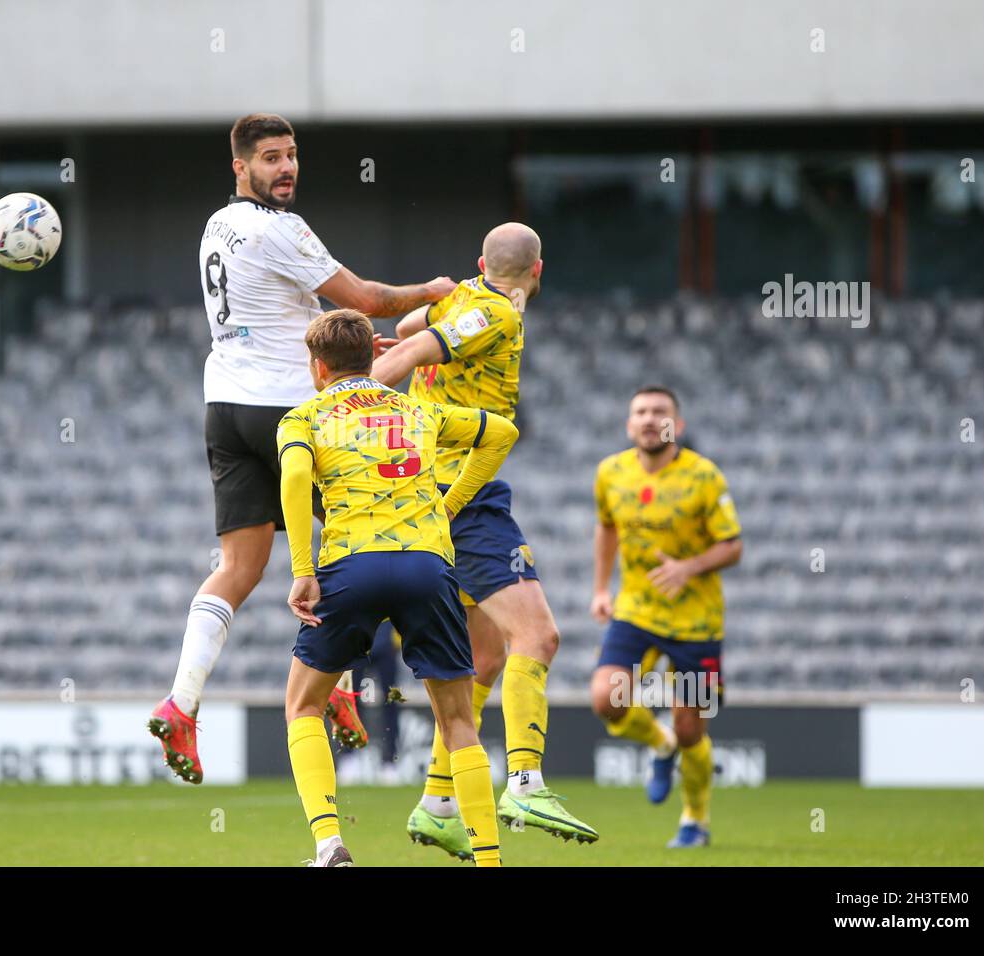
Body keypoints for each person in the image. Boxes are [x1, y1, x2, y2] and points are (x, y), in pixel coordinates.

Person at [148, 113, 457, 783]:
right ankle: (340, 686)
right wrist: (431, 295)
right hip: (289, 410)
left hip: (225, 406)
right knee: (358, 533)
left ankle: (183, 702)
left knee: (238, 567)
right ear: (242, 168)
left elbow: (276, 313)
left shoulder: (217, 223)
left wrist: (342, 349)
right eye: (270, 158)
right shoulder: (279, 228)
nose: (285, 168)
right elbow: (370, 298)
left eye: (291, 156)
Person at [371, 223, 598, 858]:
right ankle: (525, 779)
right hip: (462, 493)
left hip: (430, 489)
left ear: (478, 262)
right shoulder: (493, 311)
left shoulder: (459, 296)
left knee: (485, 658)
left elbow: (413, 329)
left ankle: (439, 800)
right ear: (539, 272)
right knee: (539, 636)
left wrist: (394, 344)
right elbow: (415, 350)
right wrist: (356, 394)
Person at [278, 309, 517, 866]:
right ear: (373, 358)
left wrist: (301, 567)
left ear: (318, 367)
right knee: (457, 720)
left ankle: (330, 844)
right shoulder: (417, 408)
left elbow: (292, 478)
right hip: (426, 567)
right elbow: (501, 433)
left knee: (303, 706)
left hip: (351, 567)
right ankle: (489, 860)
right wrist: (449, 503)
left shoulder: (304, 417)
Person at [589, 386, 743, 848]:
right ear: (628, 423)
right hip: (636, 608)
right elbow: (607, 527)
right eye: (641, 411)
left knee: (690, 726)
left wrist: (687, 567)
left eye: (661, 412)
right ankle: (660, 744)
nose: (650, 419)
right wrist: (600, 588)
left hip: (696, 620)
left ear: (678, 424)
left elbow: (732, 545)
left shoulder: (704, 477)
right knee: (605, 698)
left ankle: (695, 820)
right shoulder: (610, 473)